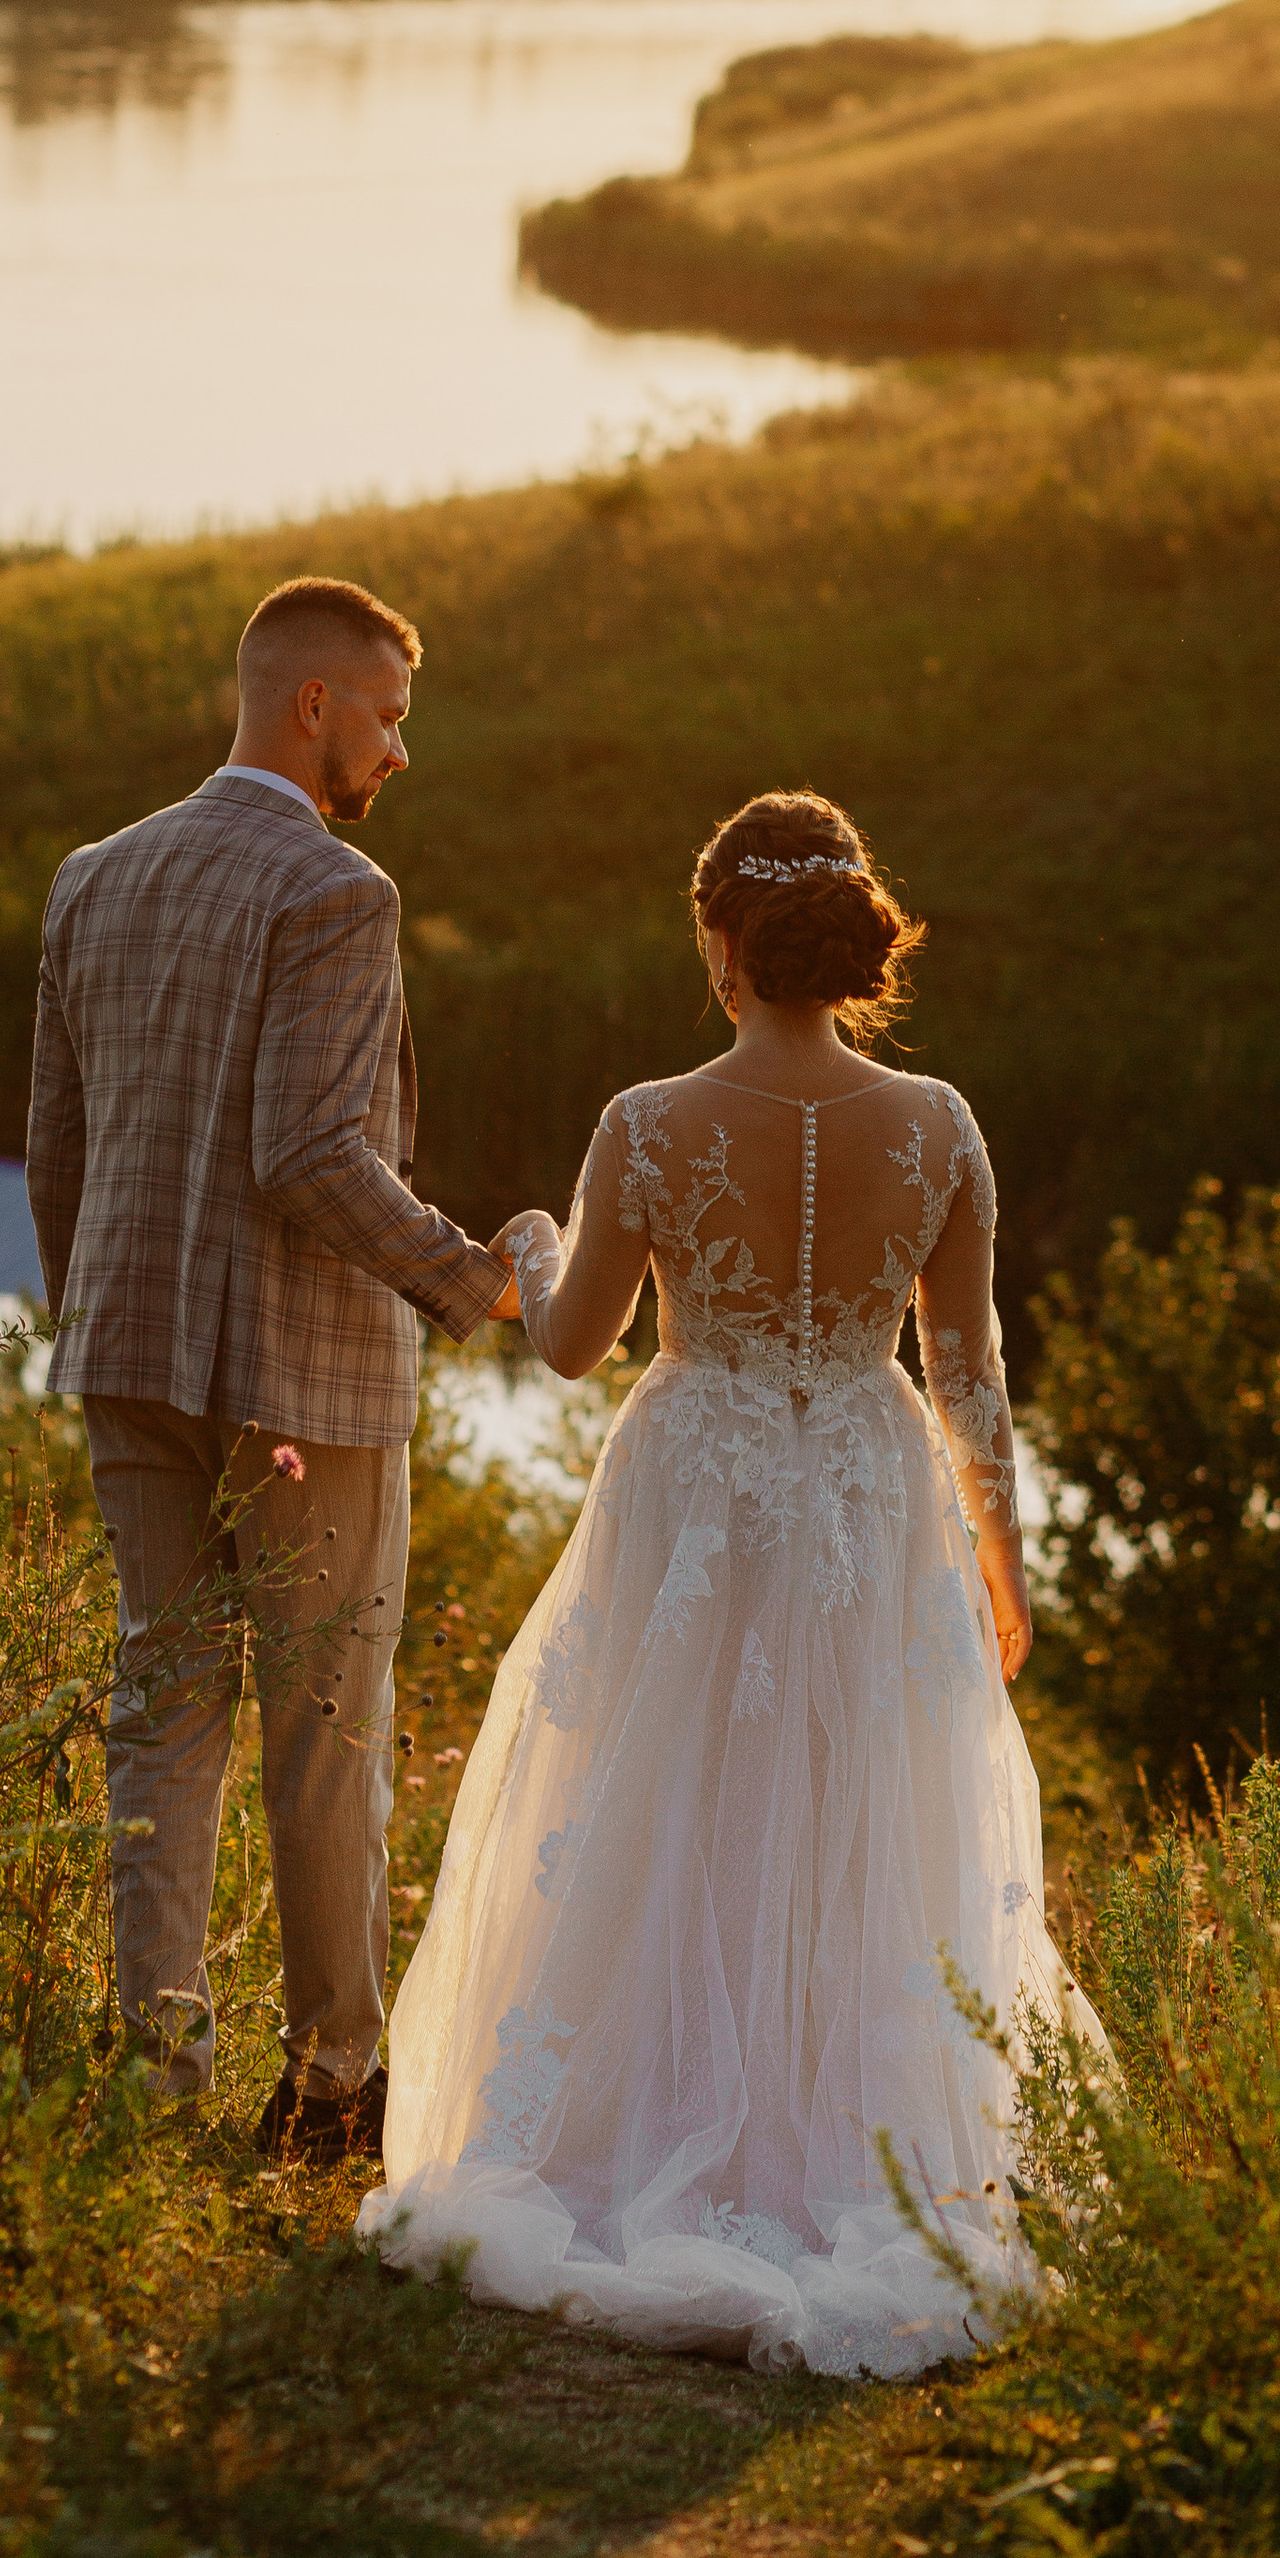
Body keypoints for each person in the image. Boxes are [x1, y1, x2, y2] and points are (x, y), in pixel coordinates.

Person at [357, 786, 1102, 2370]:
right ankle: (855, 2156)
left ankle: (638, 2134)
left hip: (697, 1480)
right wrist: (1002, 1563)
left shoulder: (645, 1120)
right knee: (857, 1803)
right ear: (843, 942)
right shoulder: (943, 1124)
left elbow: (570, 1349)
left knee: (669, 1785)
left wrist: (538, 1240)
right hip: (865, 1479)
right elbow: (968, 1371)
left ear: (719, 941)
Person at [27, 573, 516, 2165]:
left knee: (161, 1718)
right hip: (305, 1384)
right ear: (311, 704)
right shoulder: (339, 894)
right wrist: (470, 1279)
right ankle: (329, 2090)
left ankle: (152, 2084)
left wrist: (92, 1322)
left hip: (129, 1358)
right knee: (326, 1736)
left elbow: (58, 1152)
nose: (396, 750)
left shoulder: (93, 879)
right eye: (386, 714)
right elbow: (311, 1153)